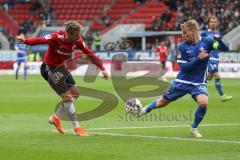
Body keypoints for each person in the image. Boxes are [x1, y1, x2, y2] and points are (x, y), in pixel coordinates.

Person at [138, 20, 229, 138]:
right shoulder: (182, 47)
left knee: (203, 103)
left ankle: (194, 127)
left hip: (198, 83)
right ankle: (146, 109)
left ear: (193, 31)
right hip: (181, 82)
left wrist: (219, 40)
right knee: (162, 102)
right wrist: (198, 58)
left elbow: (224, 49)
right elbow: (184, 68)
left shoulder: (207, 42)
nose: (183, 35)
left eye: (185, 32)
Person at [16, 21, 108, 136]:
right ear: (69, 34)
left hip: (60, 68)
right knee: (68, 98)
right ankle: (77, 129)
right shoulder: (55, 37)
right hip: (48, 68)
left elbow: (90, 53)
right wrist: (25, 41)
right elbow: (39, 40)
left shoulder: (78, 41)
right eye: (76, 34)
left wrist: (102, 68)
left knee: (75, 93)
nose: (79, 36)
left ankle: (56, 118)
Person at [201, 16, 232, 102]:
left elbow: (222, 46)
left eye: (215, 22)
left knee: (209, 77)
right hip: (209, 58)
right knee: (217, 75)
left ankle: (196, 83)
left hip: (216, 57)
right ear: (209, 23)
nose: (213, 23)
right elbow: (200, 44)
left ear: (217, 23)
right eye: (212, 22)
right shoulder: (204, 33)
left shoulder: (218, 33)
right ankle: (222, 95)